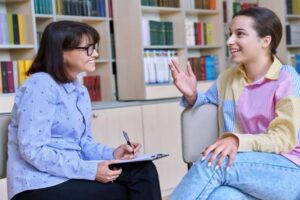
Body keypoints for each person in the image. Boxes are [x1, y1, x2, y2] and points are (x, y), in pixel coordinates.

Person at [7, 20, 161, 200]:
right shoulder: (40, 85)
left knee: (143, 169)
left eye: (94, 48)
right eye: (87, 48)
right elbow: (33, 151)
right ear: (62, 52)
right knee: (119, 191)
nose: (95, 54)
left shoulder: (79, 89)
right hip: (39, 183)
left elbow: (83, 144)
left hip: (69, 174)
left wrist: (113, 153)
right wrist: (91, 170)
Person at [168, 7, 300, 200]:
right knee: (221, 196)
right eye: (230, 34)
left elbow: (284, 139)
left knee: (213, 161)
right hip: (244, 171)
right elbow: (208, 101)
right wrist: (192, 94)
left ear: (265, 41)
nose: (230, 41)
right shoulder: (229, 77)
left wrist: (236, 141)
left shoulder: (287, 78)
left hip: (288, 171)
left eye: (240, 34)